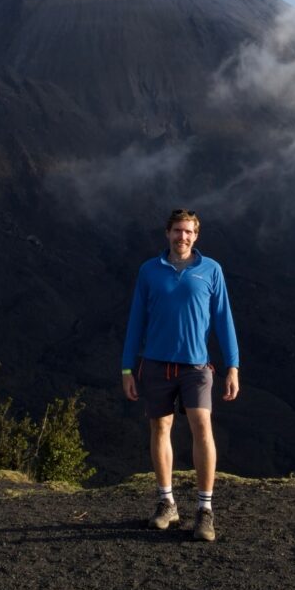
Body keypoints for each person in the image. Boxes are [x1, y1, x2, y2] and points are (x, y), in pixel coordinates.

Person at [121, 208, 239, 541]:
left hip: (196, 367)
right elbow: (136, 322)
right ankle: (166, 502)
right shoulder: (149, 271)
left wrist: (233, 366)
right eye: (177, 231)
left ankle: (205, 510)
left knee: (202, 426)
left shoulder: (211, 270)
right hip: (156, 364)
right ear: (167, 234)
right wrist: (127, 367)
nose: (182, 237)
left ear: (196, 235)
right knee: (160, 427)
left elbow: (223, 320)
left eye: (188, 232)